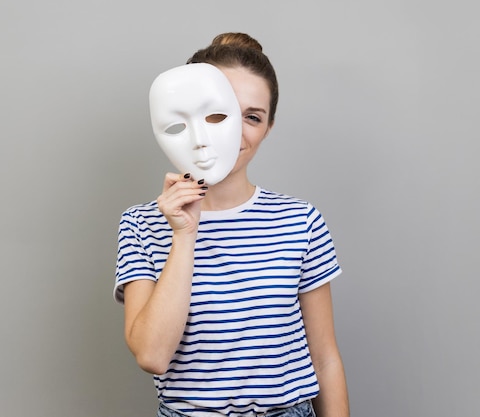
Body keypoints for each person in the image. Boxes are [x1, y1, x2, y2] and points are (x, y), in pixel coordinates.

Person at [115, 32, 349, 417]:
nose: (234, 133)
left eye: (253, 117)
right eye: (220, 112)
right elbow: (152, 355)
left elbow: (325, 359)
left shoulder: (300, 220)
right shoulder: (141, 224)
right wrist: (184, 234)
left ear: (268, 128)